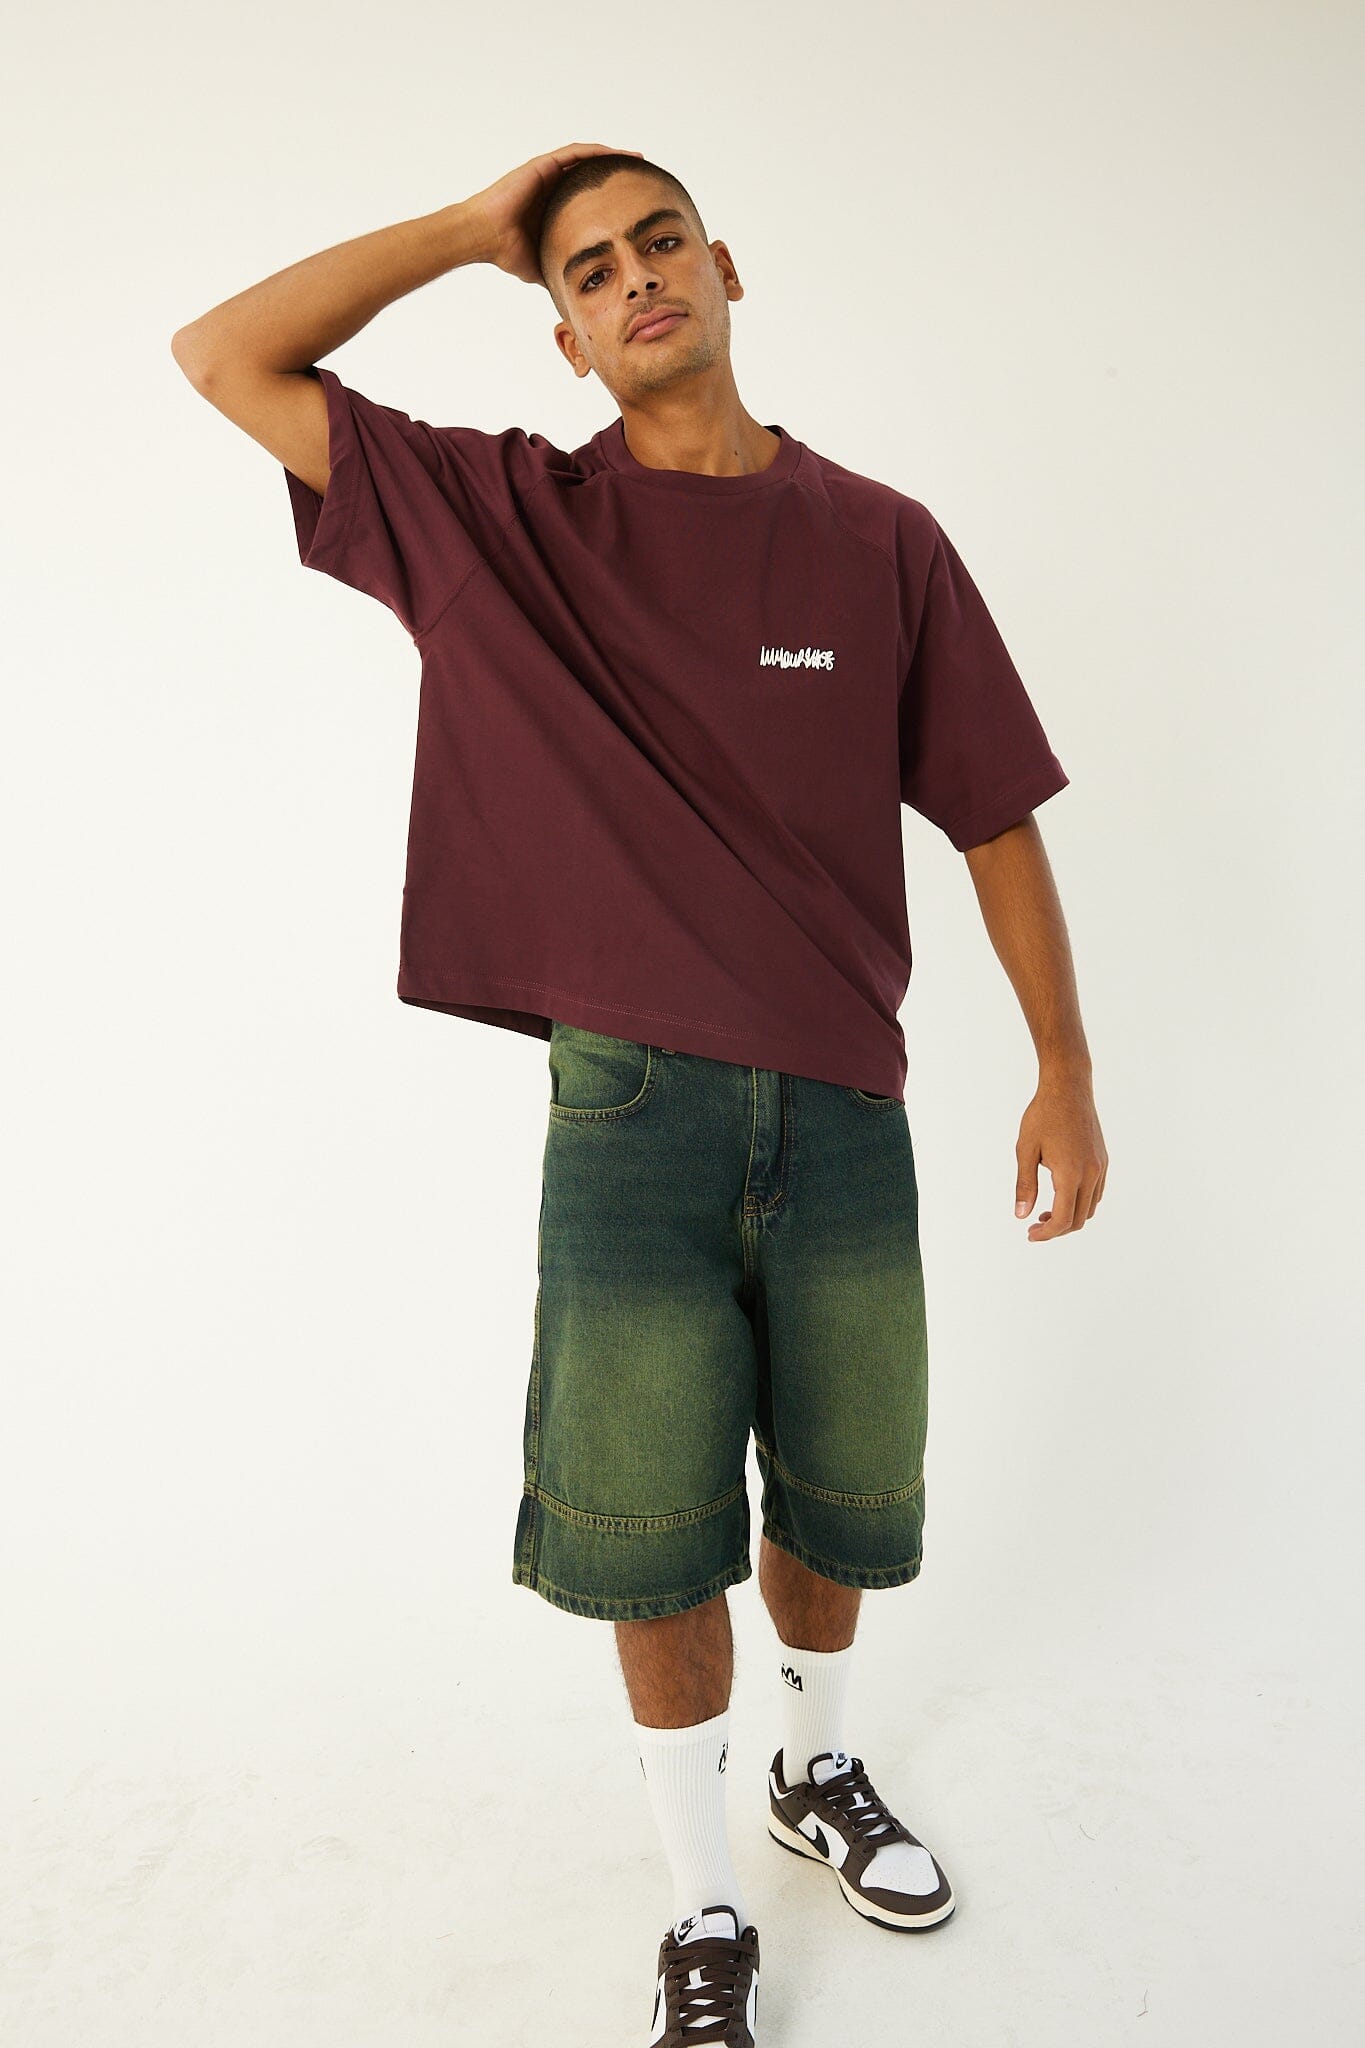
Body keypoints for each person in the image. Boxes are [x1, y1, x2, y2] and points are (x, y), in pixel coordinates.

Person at [172, 143, 1108, 2044]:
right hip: (630, 1110)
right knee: (650, 1523)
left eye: (657, 243)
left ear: (725, 265)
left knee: (841, 1498)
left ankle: (813, 1771)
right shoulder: (498, 519)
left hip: (843, 1098)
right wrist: (471, 227)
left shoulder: (880, 540)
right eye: (587, 270)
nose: (632, 280)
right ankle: (700, 1904)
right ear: (567, 337)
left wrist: (1064, 1066)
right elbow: (222, 355)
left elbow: (992, 813)